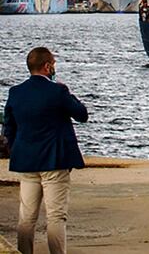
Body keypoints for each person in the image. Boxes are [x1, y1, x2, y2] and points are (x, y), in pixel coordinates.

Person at [2, 47, 89, 254]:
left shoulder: (15, 92)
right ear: (48, 66)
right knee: (56, 216)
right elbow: (81, 114)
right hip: (55, 160)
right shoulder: (58, 91)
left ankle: (23, 252)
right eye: (53, 65)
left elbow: (9, 127)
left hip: (27, 161)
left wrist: (16, 150)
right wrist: (68, 93)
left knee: (27, 216)